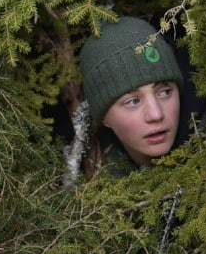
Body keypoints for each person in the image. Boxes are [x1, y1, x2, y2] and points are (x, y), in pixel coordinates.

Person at [79, 16, 188, 173]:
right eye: (133, 101)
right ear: (104, 117)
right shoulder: (93, 185)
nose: (156, 114)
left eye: (164, 92)